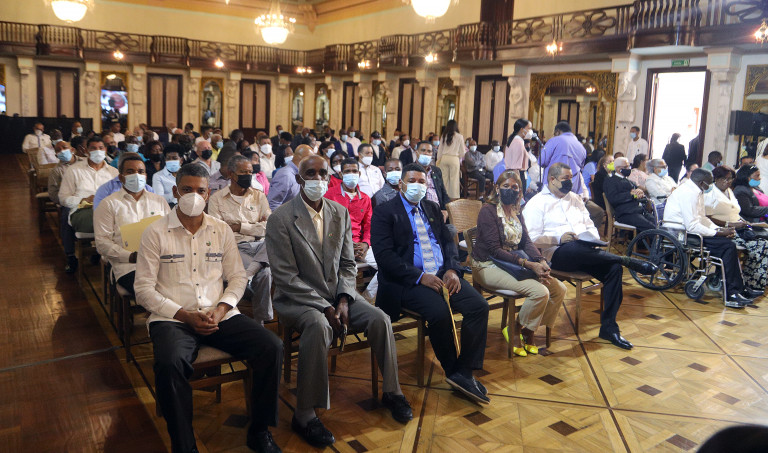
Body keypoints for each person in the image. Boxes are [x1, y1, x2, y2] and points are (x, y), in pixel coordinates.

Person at [134, 163, 283, 453]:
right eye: (186, 189)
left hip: (219, 314)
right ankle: (184, 445)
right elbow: (143, 289)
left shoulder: (221, 229)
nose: (194, 196)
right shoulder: (155, 232)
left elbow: (237, 277)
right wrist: (184, 315)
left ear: (208, 193)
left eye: (200, 190)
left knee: (271, 346)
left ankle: (259, 431)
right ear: (175, 191)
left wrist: (223, 308)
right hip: (173, 317)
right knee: (169, 363)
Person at [266, 155, 412, 447]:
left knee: (380, 319)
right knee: (319, 326)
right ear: (299, 178)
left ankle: (392, 391)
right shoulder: (281, 218)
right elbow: (285, 277)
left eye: (322, 173)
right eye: (310, 173)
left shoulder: (339, 212)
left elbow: (347, 264)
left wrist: (344, 299)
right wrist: (325, 306)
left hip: (338, 293)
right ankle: (305, 414)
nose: (317, 179)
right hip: (298, 298)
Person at [372, 162, 490, 404]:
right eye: (412, 181)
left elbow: (448, 242)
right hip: (407, 281)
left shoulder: (432, 207)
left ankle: (464, 371)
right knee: (439, 312)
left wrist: (452, 269)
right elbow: (384, 256)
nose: (418, 186)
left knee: (479, 306)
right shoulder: (385, 212)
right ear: (401, 184)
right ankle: (452, 370)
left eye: (422, 182)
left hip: (441, 274)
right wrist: (419, 276)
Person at [523, 162, 656, 349]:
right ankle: (625, 259)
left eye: (571, 178)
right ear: (551, 179)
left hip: (587, 251)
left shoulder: (575, 199)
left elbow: (590, 225)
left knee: (614, 269)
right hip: (557, 254)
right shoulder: (537, 203)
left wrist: (592, 239)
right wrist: (558, 239)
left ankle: (609, 328)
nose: (570, 182)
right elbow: (530, 239)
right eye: (565, 178)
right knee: (574, 248)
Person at [472, 170, 566, 356]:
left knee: (559, 289)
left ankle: (529, 330)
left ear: (520, 191)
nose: (510, 190)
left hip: (513, 263)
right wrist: (529, 264)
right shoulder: (488, 211)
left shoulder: (516, 211)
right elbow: (494, 250)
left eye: (514, 187)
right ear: (497, 188)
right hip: (487, 264)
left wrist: (540, 260)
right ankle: (515, 329)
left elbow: (526, 242)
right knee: (540, 292)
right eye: (505, 186)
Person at [664, 168, 756, 307]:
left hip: (690, 230)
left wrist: (719, 229)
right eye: (710, 182)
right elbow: (692, 226)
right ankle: (732, 293)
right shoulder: (688, 193)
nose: (711, 185)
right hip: (680, 233)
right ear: (702, 183)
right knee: (728, 246)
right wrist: (717, 233)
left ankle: (738, 288)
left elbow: (702, 218)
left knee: (728, 243)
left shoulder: (697, 190)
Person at [208, 155, 274, 324]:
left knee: (275, 240)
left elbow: (270, 226)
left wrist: (239, 227)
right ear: (231, 174)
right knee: (265, 273)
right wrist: (256, 225)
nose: (248, 175)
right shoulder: (217, 199)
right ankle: (260, 322)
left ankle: (247, 275)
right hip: (236, 247)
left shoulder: (259, 196)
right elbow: (220, 232)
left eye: (250, 172)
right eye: (243, 172)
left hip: (260, 245)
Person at [94, 153, 170, 296]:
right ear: (121, 177)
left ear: (145, 176)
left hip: (161, 261)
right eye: (130, 171)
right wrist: (130, 256)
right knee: (153, 291)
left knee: (181, 286)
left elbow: (170, 232)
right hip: (129, 266)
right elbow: (102, 243)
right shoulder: (108, 204)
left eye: (141, 172)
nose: (136, 175)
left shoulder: (159, 201)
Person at [705, 165, 768, 293]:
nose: (728, 182)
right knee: (759, 246)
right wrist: (730, 224)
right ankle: (748, 283)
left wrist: (742, 222)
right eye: (725, 179)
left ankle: (753, 282)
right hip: (723, 230)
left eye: (730, 179)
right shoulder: (710, 193)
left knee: (764, 243)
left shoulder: (729, 192)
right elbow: (707, 218)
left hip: (738, 227)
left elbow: (735, 211)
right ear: (716, 179)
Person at [324, 157, 379, 300]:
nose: (352, 174)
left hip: (360, 246)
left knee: (387, 265)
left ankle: (366, 298)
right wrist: (346, 246)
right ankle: (350, 303)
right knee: (349, 272)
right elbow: (326, 225)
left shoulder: (365, 198)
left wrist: (365, 244)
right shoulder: (329, 195)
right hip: (338, 245)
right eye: (347, 171)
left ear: (359, 174)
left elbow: (368, 226)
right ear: (341, 174)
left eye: (354, 171)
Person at [59, 136, 120, 233]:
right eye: (93, 148)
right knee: (106, 220)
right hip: (83, 211)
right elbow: (63, 198)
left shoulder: (114, 172)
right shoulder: (73, 170)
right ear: (87, 151)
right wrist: (83, 200)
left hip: (110, 210)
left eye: (101, 148)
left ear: (105, 150)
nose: (98, 151)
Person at [48, 141, 79, 273]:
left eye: (64, 148)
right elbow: (53, 193)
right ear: (56, 155)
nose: (62, 151)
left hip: (91, 199)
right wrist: (68, 199)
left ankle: (98, 251)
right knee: (66, 217)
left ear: (72, 149)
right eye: (58, 150)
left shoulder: (85, 163)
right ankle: (70, 255)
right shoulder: (56, 171)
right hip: (71, 203)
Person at [603, 157, 657, 232]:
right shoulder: (611, 181)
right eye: (626, 167)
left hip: (638, 210)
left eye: (629, 166)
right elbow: (613, 198)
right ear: (618, 169)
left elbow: (636, 192)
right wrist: (630, 194)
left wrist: (640, 192)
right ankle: (651, 239)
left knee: (657, 223)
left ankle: (651, 239)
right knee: (651, 227)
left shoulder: (627, 180)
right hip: (625, 213)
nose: (629, 169)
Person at [267, 144, 313, 210]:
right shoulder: (285, 175)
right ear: (303, 159)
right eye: (311, 159)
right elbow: (273, 204)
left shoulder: (301, 173)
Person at [437, 119, 465, 199]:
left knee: (444, 178)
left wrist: (438, 159)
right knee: (454, 179)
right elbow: (462, 152)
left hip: (444, 158)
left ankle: (444, 196)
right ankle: (453, 197)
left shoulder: (444, 135)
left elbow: (440, 149)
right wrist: (459, 157)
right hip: (454, 159)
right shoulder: (459, 136)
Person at [505, 119, 532, 191]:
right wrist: (518, 183)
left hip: (516, 174)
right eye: (529, 128)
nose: (530, 131)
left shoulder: (516, 140)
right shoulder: (518, 142)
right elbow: (515, 166)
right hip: (517, 174)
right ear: (522, 129)